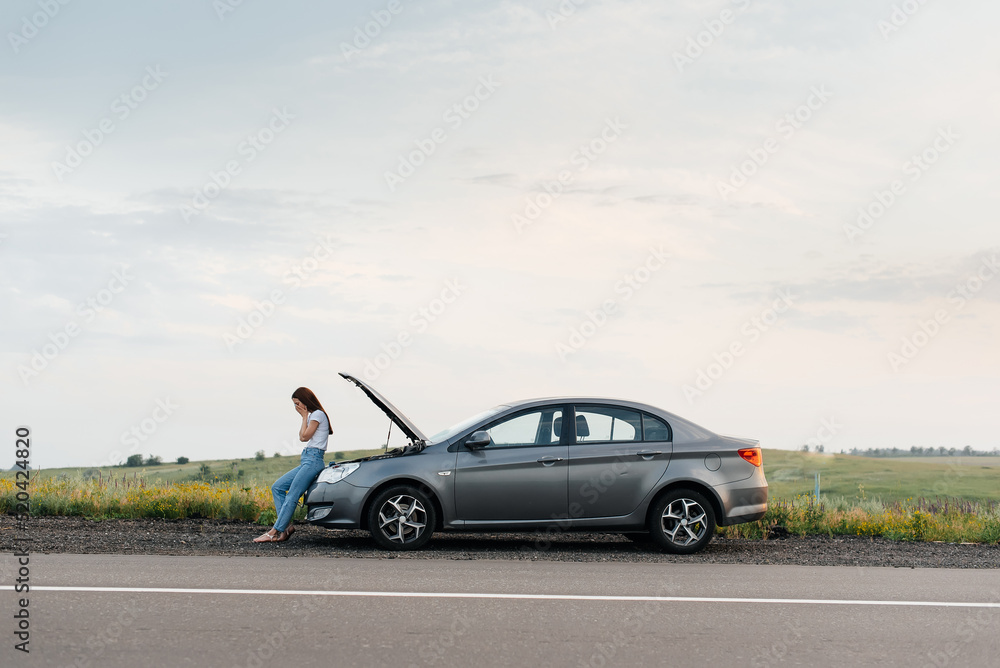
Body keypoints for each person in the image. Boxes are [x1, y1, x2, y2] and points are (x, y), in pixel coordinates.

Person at [254, 387, 330, 543]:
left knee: (292, 495)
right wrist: (304, 417)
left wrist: (304, 417)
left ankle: (274, 532)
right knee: (278, 487)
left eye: (297, 403)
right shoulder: (312, 416)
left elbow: (304, 436)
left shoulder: (318, 414)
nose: (296, 407)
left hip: (314, 460)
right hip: (307, 459)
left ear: (305, 401)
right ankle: (286, 528)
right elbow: (303, 437)